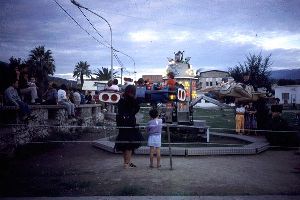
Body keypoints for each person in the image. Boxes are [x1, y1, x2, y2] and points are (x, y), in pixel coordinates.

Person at [115, 85, 143, 169]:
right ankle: (127, 163)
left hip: (121, 124)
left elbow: (119, 110)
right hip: (130, 123)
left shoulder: (121, 100)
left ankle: (126, 162)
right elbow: (137, 108)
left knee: (124, 144)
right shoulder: (132, 100)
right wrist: (131, 114)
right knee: (130, 145)